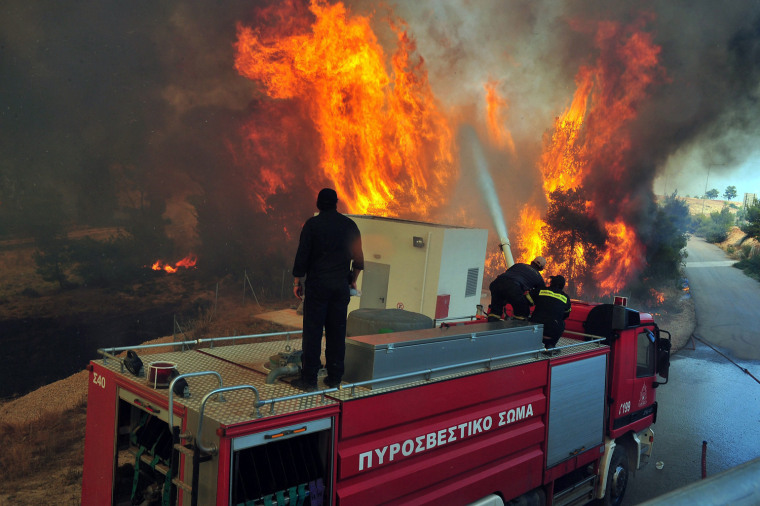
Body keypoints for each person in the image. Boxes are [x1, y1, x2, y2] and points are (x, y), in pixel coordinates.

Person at [291, 188, 364, 391]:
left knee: (313, 333)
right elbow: (358, 261)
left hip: (318, 287)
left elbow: (302, 256)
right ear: (336, 203)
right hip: (340, 288)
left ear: (318, 204)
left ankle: (309, 379)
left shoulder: (312, 225)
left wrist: (297, 282)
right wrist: (352, 281)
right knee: (337, 333)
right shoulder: (350, 226)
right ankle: (334, 378)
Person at [488, 256, 547, 321]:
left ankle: (492, 323)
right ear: (541, 269)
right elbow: (541, 292)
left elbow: (507, 274)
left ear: (531, 262)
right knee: (522, 312)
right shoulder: (538, 277)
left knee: (495, 311)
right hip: (512, 287)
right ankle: (516, 327)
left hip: (496, 283)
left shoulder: (518, 265)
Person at [528, 275, 572, 349]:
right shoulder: (565, 298)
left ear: (551, 283)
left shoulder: (541, 290)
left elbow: (528, 299)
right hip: (551, 333)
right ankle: (550, 345)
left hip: (535, 330)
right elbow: (566, 315)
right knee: (562, 323)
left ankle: (532, 344)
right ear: (562, 286)